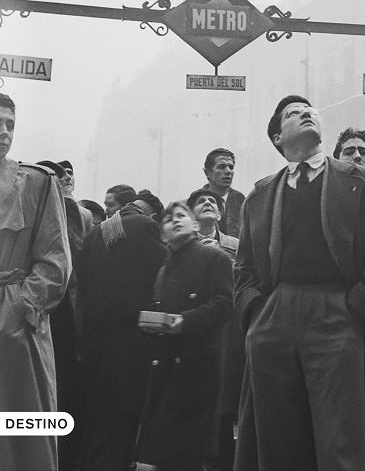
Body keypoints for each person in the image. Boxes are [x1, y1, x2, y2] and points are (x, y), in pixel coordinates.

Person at [234, 95, 365, 471]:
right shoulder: (260, 195)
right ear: (277, 138)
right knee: (278, 435)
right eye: (292, 113)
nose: (305, 112)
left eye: (309, 110)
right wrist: (256, 313)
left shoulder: (362, 181)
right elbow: (244, 268)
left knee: (340, 435)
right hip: (275, 315)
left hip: (338, 311)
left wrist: (358, 309)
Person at [0, 93, 71, 471]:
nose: (4, 132)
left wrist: (21, 307)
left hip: (15, 329)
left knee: (22, 426)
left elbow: (56, 261)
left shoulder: (37, 182)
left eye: (10, 124)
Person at [136, 200, 233, 471]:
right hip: (167, 363)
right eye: (169, 219)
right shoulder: (164, 268)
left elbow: (225, 304)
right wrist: (151, 324)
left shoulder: (215, 258)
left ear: (194, 224)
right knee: (166, 449)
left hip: (198, 363)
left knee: (187, 447)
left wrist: (185, 321)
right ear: (163, 233)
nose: (175, 220)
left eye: (181, 215)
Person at [77, 190, 167, 471]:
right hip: (130, 339)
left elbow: (83, 283)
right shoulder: (146, 225)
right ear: (154, 214)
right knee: (125, 415)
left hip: (95, 340)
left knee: (100, 416)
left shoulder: (96, 232)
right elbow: (164, 272)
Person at [36, 159, 93, 471]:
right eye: (59, 175)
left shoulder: (77, 213)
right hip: (49, 309)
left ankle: (63, 454)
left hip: (67, 311)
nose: (65, 178)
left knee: (63, 384)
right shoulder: (42, 209)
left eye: (69, 173)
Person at [187, 188, 244, 471]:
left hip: (228, 330)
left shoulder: (235, 245)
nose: (208, 203)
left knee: (224, 394)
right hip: (194, 325)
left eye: (213, 201)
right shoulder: (183, 245)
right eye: (201, 201)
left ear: (220, 214)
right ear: (191, 213)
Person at [204, 148, 245, 236]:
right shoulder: (195, 203)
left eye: (231, 167)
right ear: (207, 173)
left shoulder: (243, 202)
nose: (228, 171)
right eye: (221, 167)